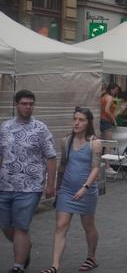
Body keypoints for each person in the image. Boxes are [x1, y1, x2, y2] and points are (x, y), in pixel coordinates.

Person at [39, 108, 101, 273]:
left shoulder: (94, 143)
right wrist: (57, 188)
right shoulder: (66, 140)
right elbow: (62, 165)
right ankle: (55, 266)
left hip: (86, 191)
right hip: (66, 189)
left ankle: (91, 257)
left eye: (81, 120)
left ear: (88, 123)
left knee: (88, 226)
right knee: (61, 226)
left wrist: (85, 188)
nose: (76, 122)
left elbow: (95, 169)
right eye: (75, 119)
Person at [1, 90, 57, 273]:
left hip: (30, 186)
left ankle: (18, 266)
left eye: (31, 104)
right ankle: (25, 247)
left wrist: (50, 184)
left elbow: (50, 157)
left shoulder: (40, 129)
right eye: (24, 103)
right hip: (5, 184)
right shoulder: (5, 127)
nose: (28, 107)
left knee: (21, 226)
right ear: (16, 104)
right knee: (6, 226)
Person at [99, 82, 119, 176]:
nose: (117, 92)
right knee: (108, 145)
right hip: (107, 122)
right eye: (116, 90)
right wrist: (113, 119)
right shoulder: (109, 98)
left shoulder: (102, 97)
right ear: (112, 89)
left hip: (100, 120)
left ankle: (99, 165)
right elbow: (107, 110)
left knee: (101, 144)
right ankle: (107, 166)